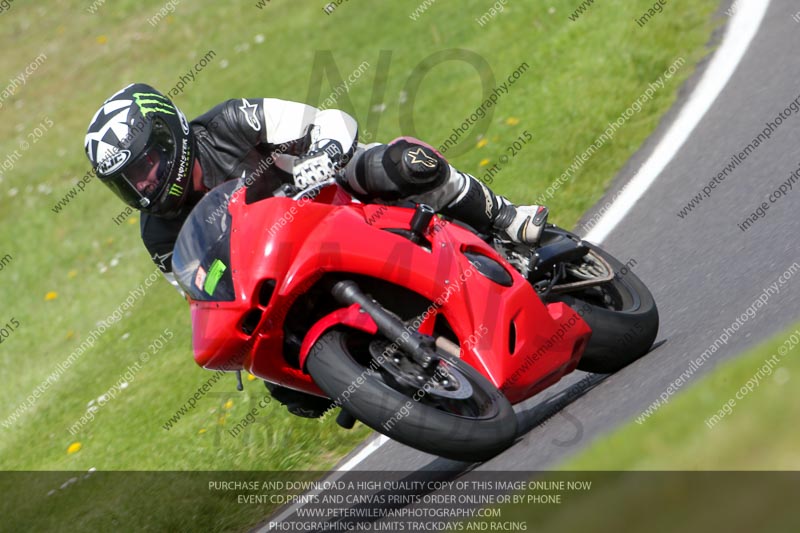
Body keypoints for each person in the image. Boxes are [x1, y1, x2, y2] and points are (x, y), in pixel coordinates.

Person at [84, 83, 549, 417]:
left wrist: (324, 152)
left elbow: (328, 121)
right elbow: (203, 294)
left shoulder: (229, 122)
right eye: (128, 181)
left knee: (406, 164)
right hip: (283, 271)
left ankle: (508, 222)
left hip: (335, 197)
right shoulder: (158, 235)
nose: (144, 183)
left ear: (169, 136)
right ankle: (374, 380)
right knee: (288, 391)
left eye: (146, 164)